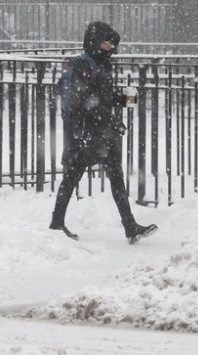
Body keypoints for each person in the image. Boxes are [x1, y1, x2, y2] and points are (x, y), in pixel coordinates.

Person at [49, 21, 158, 244]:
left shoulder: (101, 64)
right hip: (83, 134)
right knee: (72, 177)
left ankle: (129, 226)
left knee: (113, 175)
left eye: (112, 42)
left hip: (98, 133)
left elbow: (100, 97)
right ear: (94, 41)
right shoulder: (83, 65)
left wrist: (122, 99)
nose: (110, 46)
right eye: (106, 41)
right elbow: (86, 101)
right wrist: (110, 120)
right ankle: (57, 223)